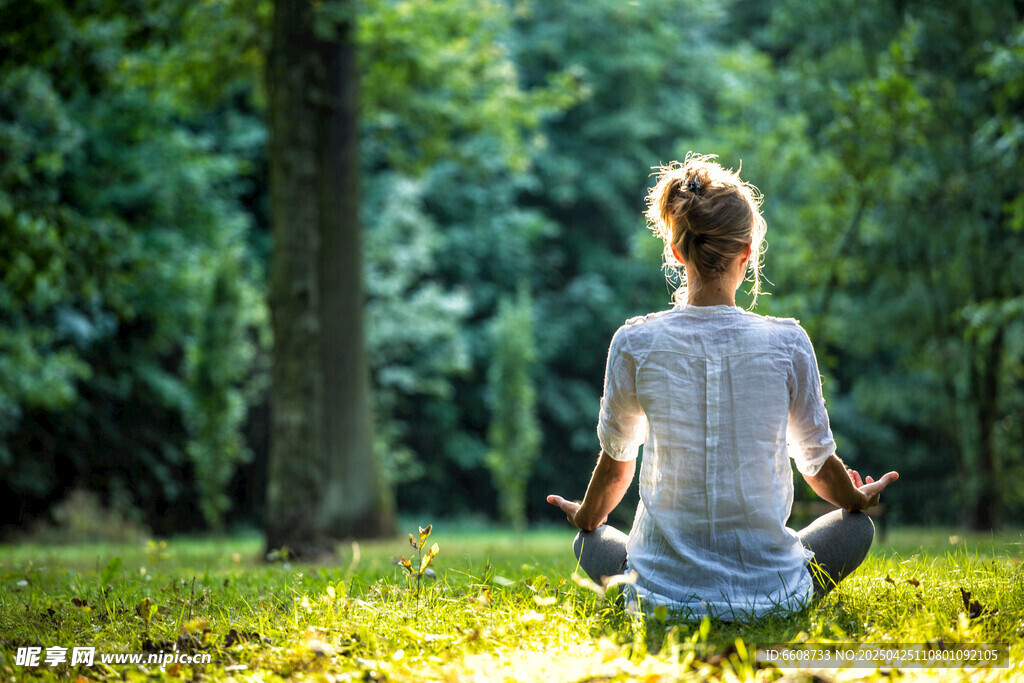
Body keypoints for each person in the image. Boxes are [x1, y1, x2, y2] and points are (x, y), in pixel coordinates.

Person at [546, 154, 899, 620]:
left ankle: (655, 586)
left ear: (676, 251)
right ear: (747, 252)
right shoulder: (787, 342)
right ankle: (777, 595)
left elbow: (616, 470)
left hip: (660, 599)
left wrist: (587, 516)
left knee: (587, 541)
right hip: (771, 593)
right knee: (857, 531)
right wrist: (856, 498)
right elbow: (816, 465)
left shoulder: (634, 342)